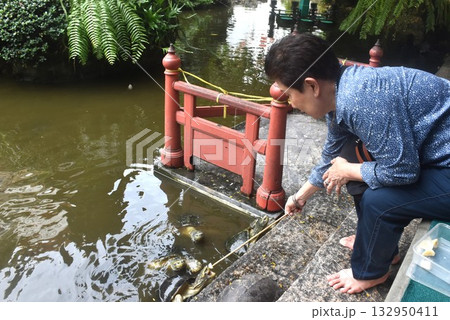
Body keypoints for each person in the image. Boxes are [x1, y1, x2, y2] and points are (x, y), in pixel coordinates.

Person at [264, 33, 450, 294]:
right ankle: (375, 244)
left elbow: (403, 171)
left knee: (379, 199)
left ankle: (371, 272)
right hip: (436, 155)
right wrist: (301, 196)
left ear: (312, 86)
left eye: (290, 95)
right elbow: (332, 157)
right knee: (350, 155)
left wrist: (348, 171)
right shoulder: (343, 90)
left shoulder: (361, 101)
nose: (291, 104)